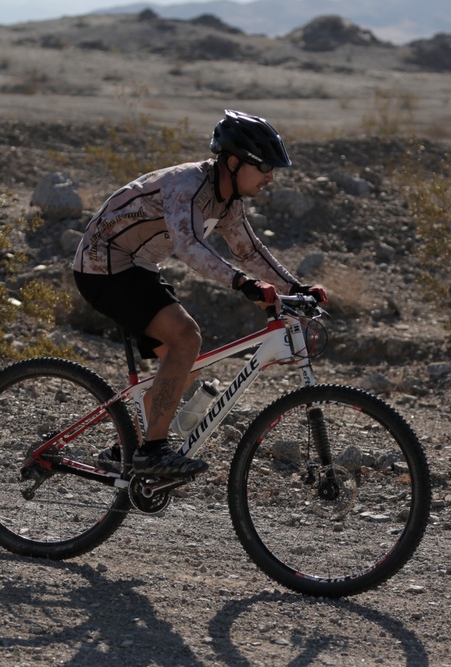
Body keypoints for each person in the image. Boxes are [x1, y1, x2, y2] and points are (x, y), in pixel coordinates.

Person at [72, 109, 327, 477]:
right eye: (264, 168)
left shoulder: (227, 200)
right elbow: (188, 246)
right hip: (104, 265)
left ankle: (128, 447)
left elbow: (249, 251)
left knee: (185, 363)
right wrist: (244, 284)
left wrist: (296, 288)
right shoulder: (187, 185)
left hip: (135, 266)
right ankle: (151, 454)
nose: (271, 178)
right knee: (185, 338)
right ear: (235, 163)